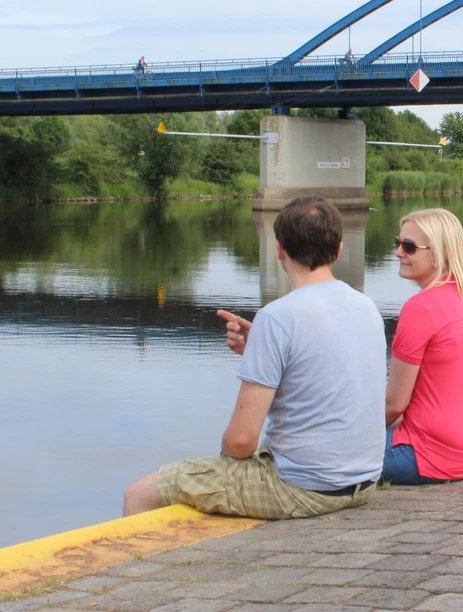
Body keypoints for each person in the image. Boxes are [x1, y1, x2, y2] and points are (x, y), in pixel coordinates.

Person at [122, 197, 387, 519]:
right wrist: (260, 351)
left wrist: (224, 463)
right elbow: (325, 366)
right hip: (362, 481)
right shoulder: (366, 307)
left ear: (280, 250)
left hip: (306, 489)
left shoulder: (277, 317)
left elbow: (240, 441)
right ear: (339, 249)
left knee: (139, 494)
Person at [383, 208, 463, 485]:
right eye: (398, 243)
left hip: (427, 456)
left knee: (319, 448)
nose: (398, 252)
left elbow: (394, 405)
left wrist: (355, 435)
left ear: (441, 253)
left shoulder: (420, 308)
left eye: (409, 246)